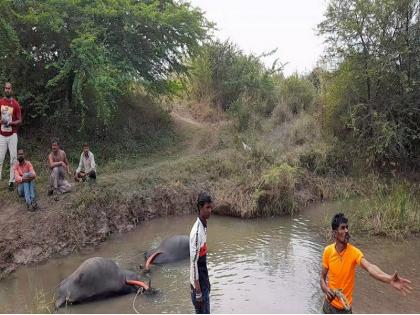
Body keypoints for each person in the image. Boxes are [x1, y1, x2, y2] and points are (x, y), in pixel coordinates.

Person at [320, 213, 412, 314]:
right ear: (334, 233)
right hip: (328, 307)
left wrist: (389, 279)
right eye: (342, 228)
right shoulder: (327, 251)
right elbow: (322, 278)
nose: (346, 231)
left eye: (347, 227)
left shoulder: (354, 252)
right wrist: (326, 290)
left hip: (345, 310)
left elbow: (370, 267)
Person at [190, 192, 213, 314]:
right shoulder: (196, 233)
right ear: (200, 208)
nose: (210, 210)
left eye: (211, 207)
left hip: (203, 281)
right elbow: (193, 264)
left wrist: (207, 283)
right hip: (198, 287)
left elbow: (202, 261)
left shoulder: (204, 225)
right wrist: (198, 292)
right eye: (207, 208)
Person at [0, 82, 22, 191]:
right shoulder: (0, 102)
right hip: (2, 135)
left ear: (11, 90)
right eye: (6, 88)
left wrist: (11, 123)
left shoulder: (16, 104)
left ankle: (11, 182)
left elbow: (20, 120)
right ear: (4, 89)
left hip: (12, 134)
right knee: (0, 158)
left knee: (13, 158)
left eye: (9, 88)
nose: (7, 90)